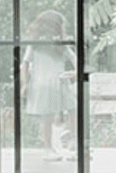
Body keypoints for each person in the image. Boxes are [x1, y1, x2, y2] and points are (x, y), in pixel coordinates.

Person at [21, 9, 76, 160]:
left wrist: (75, 72)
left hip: (57, 82)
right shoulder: (35, 45)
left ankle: (70, 143)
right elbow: (24, 65)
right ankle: (49, 147)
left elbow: (75, 59)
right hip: (45, 84)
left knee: (71, 109)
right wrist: (25, 84)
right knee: (51, 115)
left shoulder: (60, 45)